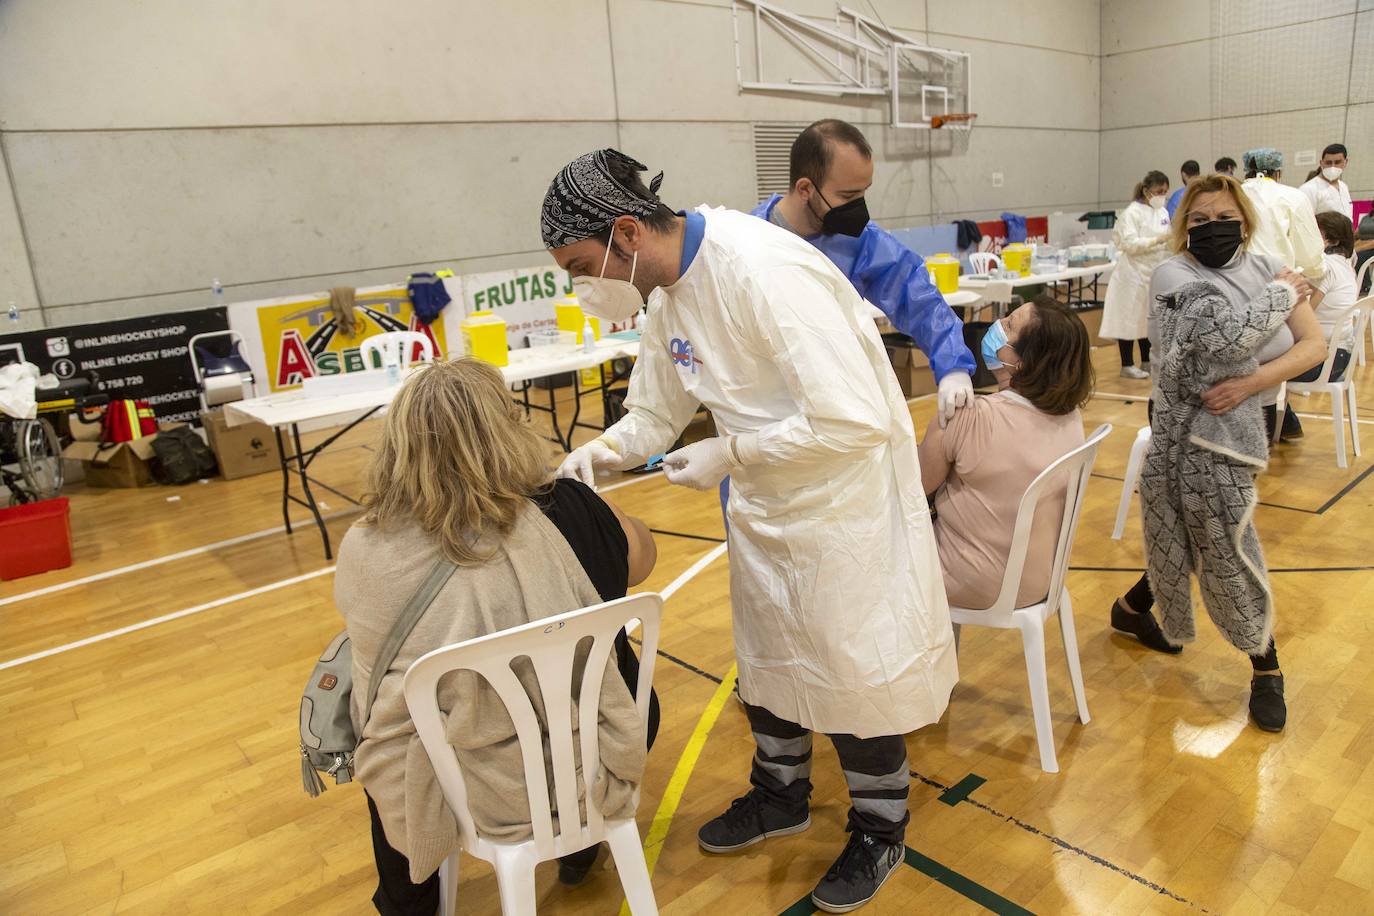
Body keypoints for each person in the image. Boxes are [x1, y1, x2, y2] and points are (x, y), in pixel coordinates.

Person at [545, 149, 956, 914]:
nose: (580, 284)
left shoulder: (765, 272)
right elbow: (655, 411)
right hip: (769, 504)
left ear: (626, 233)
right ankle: (781, 792)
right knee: (767, 652)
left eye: (578, 265)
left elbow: (853, 417)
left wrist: (729, 451)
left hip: (842, 503)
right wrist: (602, 452)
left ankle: (881, 824)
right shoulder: (666, 294)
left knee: (848, 666)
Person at [337, 357, 660, 916]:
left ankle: (406, 903)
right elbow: (643, 561)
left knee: (385, 722)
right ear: (508, 429)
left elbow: (374, 681)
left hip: (464, 773)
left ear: (399, 445)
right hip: (591, 749)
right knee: (613, 669)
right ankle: (581, 847)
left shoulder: (369, 549)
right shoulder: (573, 509)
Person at [1107, 174, 1324, 733]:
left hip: (1246, 418)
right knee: (1225, 541)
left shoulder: (1265, 263)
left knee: (1193, 531)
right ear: (1183, 227)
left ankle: (1131, 610)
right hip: (1188, 426)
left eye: (1223, 217)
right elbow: (1219, 348)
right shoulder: (1174, 274)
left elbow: (1314, 346)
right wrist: (1282, 294)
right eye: (1198, 220)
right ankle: (1266, 665)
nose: (1211, 228)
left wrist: (1252, 385)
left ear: (1244, 219)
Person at [751, 119, 977, 425]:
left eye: (864, 192)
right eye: (847, 197)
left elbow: (915, 294)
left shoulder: (859, 240)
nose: (858, 207)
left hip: (835, 402)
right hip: (763, 407)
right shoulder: (747, 241)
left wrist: (953, 365)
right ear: (805, 188)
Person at [917, 296, 1093, 611]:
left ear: (1022, 361)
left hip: (973, 582)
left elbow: (913, 489)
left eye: (1009, 324)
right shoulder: (1071, 418)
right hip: (1040, 580)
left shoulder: (970, 417)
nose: (997, 325)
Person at [1278, 212, 1359, 441]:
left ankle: (1282, 425)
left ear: (1330, 240)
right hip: (1341, 356)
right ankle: (1285, 425)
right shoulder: (1344, 265)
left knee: (1264, 365)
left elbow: (1302, 313)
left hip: (1323, 361)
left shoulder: (1325, 269)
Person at [1102, 170, 1171, 379]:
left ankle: (1147, 360)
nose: (1162, 196)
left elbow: (1168, 239)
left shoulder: (1163, 213)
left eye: (1165, 192)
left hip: (1153, 272)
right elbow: (1129, 244)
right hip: (1131, 273)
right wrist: (1156, 240)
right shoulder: (1131, 213)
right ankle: (1127, 364)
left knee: (1147, 319)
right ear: (1146, 191)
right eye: (1159, 191)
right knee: (1129, 318)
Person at [1239, 147, 1325, 281]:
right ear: (1278, 173)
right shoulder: (1293, 196)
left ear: (1246, 172)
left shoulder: (1232, 195)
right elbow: (1310, 255)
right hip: (1278, 283)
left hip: (1236, 282)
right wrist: (1317, 270)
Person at [1299, 143, 1352, 218]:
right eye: (1328, 163)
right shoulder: (1309, 189)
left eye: (1337, 162)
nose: (1332, 166)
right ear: (1321, 163)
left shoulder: (1344, 186)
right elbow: (1303, 221)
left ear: (1345, 162)